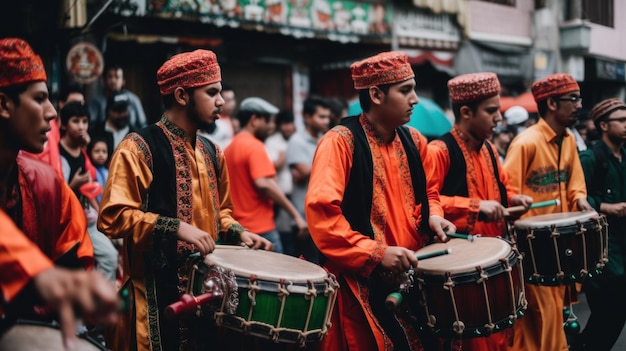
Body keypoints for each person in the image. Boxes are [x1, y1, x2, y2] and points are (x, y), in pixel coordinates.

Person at [97, 49, 272, 351]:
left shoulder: (212, 152)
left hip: (207, 297)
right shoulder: (138, 148)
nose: (222, 101)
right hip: (152, 300)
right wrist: (175, 227)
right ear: (181, 95)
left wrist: (239, 232)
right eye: (212, 92)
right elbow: (113, 216)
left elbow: (222, 213)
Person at [305, 51, 455, 351]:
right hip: (359, 289)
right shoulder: (340, 142)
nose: (415, 99)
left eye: (413, 89)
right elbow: (323, 217)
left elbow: (430, 194)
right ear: (375, 94)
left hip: (413, 281)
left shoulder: (415, 141)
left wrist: (434, 215)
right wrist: (376, 253)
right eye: (405, 90)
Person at [0, 37, 117, 349]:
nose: (52, 113)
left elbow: (73, 262)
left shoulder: (48, 184)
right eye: (39, 99)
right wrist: (38, 272)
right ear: (3, 104)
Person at [427, 72, 533, 350]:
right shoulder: (439, 151)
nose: (499, 118)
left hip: (494, 263)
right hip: (461, 275)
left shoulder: (488, 149)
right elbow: (425, 203)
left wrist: (514, 201)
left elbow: (503, 191)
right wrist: (475, 207)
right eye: (491, 111)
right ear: (465, 112)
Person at [503, 73, 593, 351]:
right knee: (538, 319)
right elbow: (508, 194)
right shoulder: (525, 143)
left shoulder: (568, 141)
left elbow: (576, 185)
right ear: (552, 103)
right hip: (533, 249)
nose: (579, 105)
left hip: (562, 247)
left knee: (554, 315)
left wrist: (581, 202)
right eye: (573, 99)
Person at [225, 97, 307, 254]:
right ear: (254, 119)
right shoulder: (255, 146)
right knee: (276, 278)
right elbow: (264, 183)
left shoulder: (230, 147)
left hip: (238, 230)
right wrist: (295, 215)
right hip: (260, 229)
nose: (271, 126)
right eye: (267, 121)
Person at [576, 98, 626, 351]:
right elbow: (575, 198)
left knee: (614, 315)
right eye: (621, 120)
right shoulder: (590, 157)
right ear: (604, 125)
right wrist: (606, 207)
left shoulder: (624, 154)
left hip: (622, 243)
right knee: (608, 312)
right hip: (602, 249)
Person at [58, 102, 118, 284]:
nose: (81, 126)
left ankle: (98, 302)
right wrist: (73, 185)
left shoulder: (83, 152)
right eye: (76, 121)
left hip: (87, 220)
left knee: (110, 257)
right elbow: (56, 193)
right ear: (64, 124)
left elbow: (89, 190)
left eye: (84, 121)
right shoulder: (58, 154)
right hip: (68, 224)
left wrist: (100, 213)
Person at [286, 95, 331, 263]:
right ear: (307, 117)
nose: (326, 121)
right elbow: (306, 171)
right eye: (321, 116)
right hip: (303, 218)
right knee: (308, 265)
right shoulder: (297, 141)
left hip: (323, 216)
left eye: (327, 117)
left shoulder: (325, 139)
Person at [265, 109, 297, 256]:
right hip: (282, 194)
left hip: (299, 194)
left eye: (290, 123)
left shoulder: (297, 139)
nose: (288, 127)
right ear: (279, 126)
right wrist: (285, 155)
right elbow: (270, 167)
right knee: (285, 234)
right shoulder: (272, 142)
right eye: (285, 124)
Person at [88, 63, 147, 130]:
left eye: (117, 77)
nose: (113, 81)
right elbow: (91, 125)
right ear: (104, 80)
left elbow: (143, 124)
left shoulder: (133, 99)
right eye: (110, 77)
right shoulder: (97, 101)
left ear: (123, 81)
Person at [89, 91, 138, 160]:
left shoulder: (135, 134)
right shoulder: (96, 131)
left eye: (124, 110)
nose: (121, 115)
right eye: (117, 111)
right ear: (108, 110)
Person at [201, 83, 237, 149]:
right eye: (228, 100)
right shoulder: (210, 120)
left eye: (233, 99)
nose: (232, 104)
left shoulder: (230, 120)